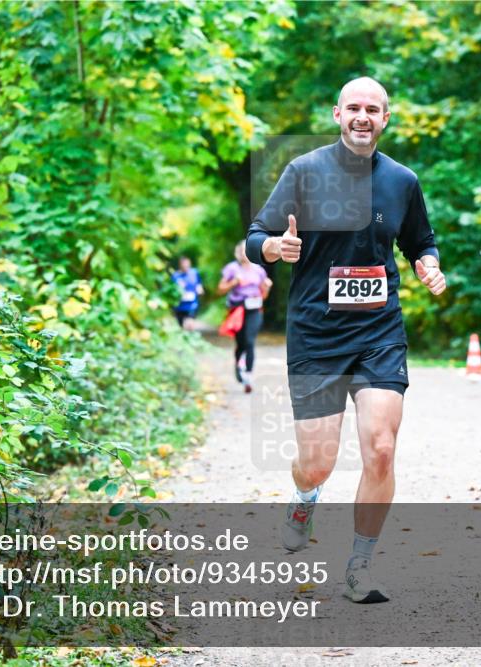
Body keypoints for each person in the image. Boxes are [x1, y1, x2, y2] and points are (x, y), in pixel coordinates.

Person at [245, 77, 446, 604]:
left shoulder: (402, 180)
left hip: (379, 332)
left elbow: (421, 241)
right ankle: (304, 496)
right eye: (353, 107)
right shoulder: (304, 171)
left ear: (385, 119)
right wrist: (276, 248)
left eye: (373, 109)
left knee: (381, 447)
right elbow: (255, 238)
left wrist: (428, 264)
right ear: (337, 114)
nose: (363, 116)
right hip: (316, 334)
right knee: (318, 461)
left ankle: (359, 565)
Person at [218, 240, 272, 393]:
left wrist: (267, 288)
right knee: (241, 343)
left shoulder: (259, 270)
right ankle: (238, 364)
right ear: (238, 253)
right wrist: (234, 282)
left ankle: (248, 374)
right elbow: (220, 289)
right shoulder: (231, 268)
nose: (244, 253)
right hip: (238, 310)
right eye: (241, 251)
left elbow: (264, 295)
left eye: (246, 250)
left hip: (255, 309)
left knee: (250, 340)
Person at [171, 256, 204, 330]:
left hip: (192, 304)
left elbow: (199, 284)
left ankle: (191, 333)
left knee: (190, 325)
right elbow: (171, 290)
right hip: (179, 306)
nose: (186, 267)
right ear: (180, 265)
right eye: (184, 265)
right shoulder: (175, 276)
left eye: (187, 265)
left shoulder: (194, 273)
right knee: (182, 326)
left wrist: (200, 289)